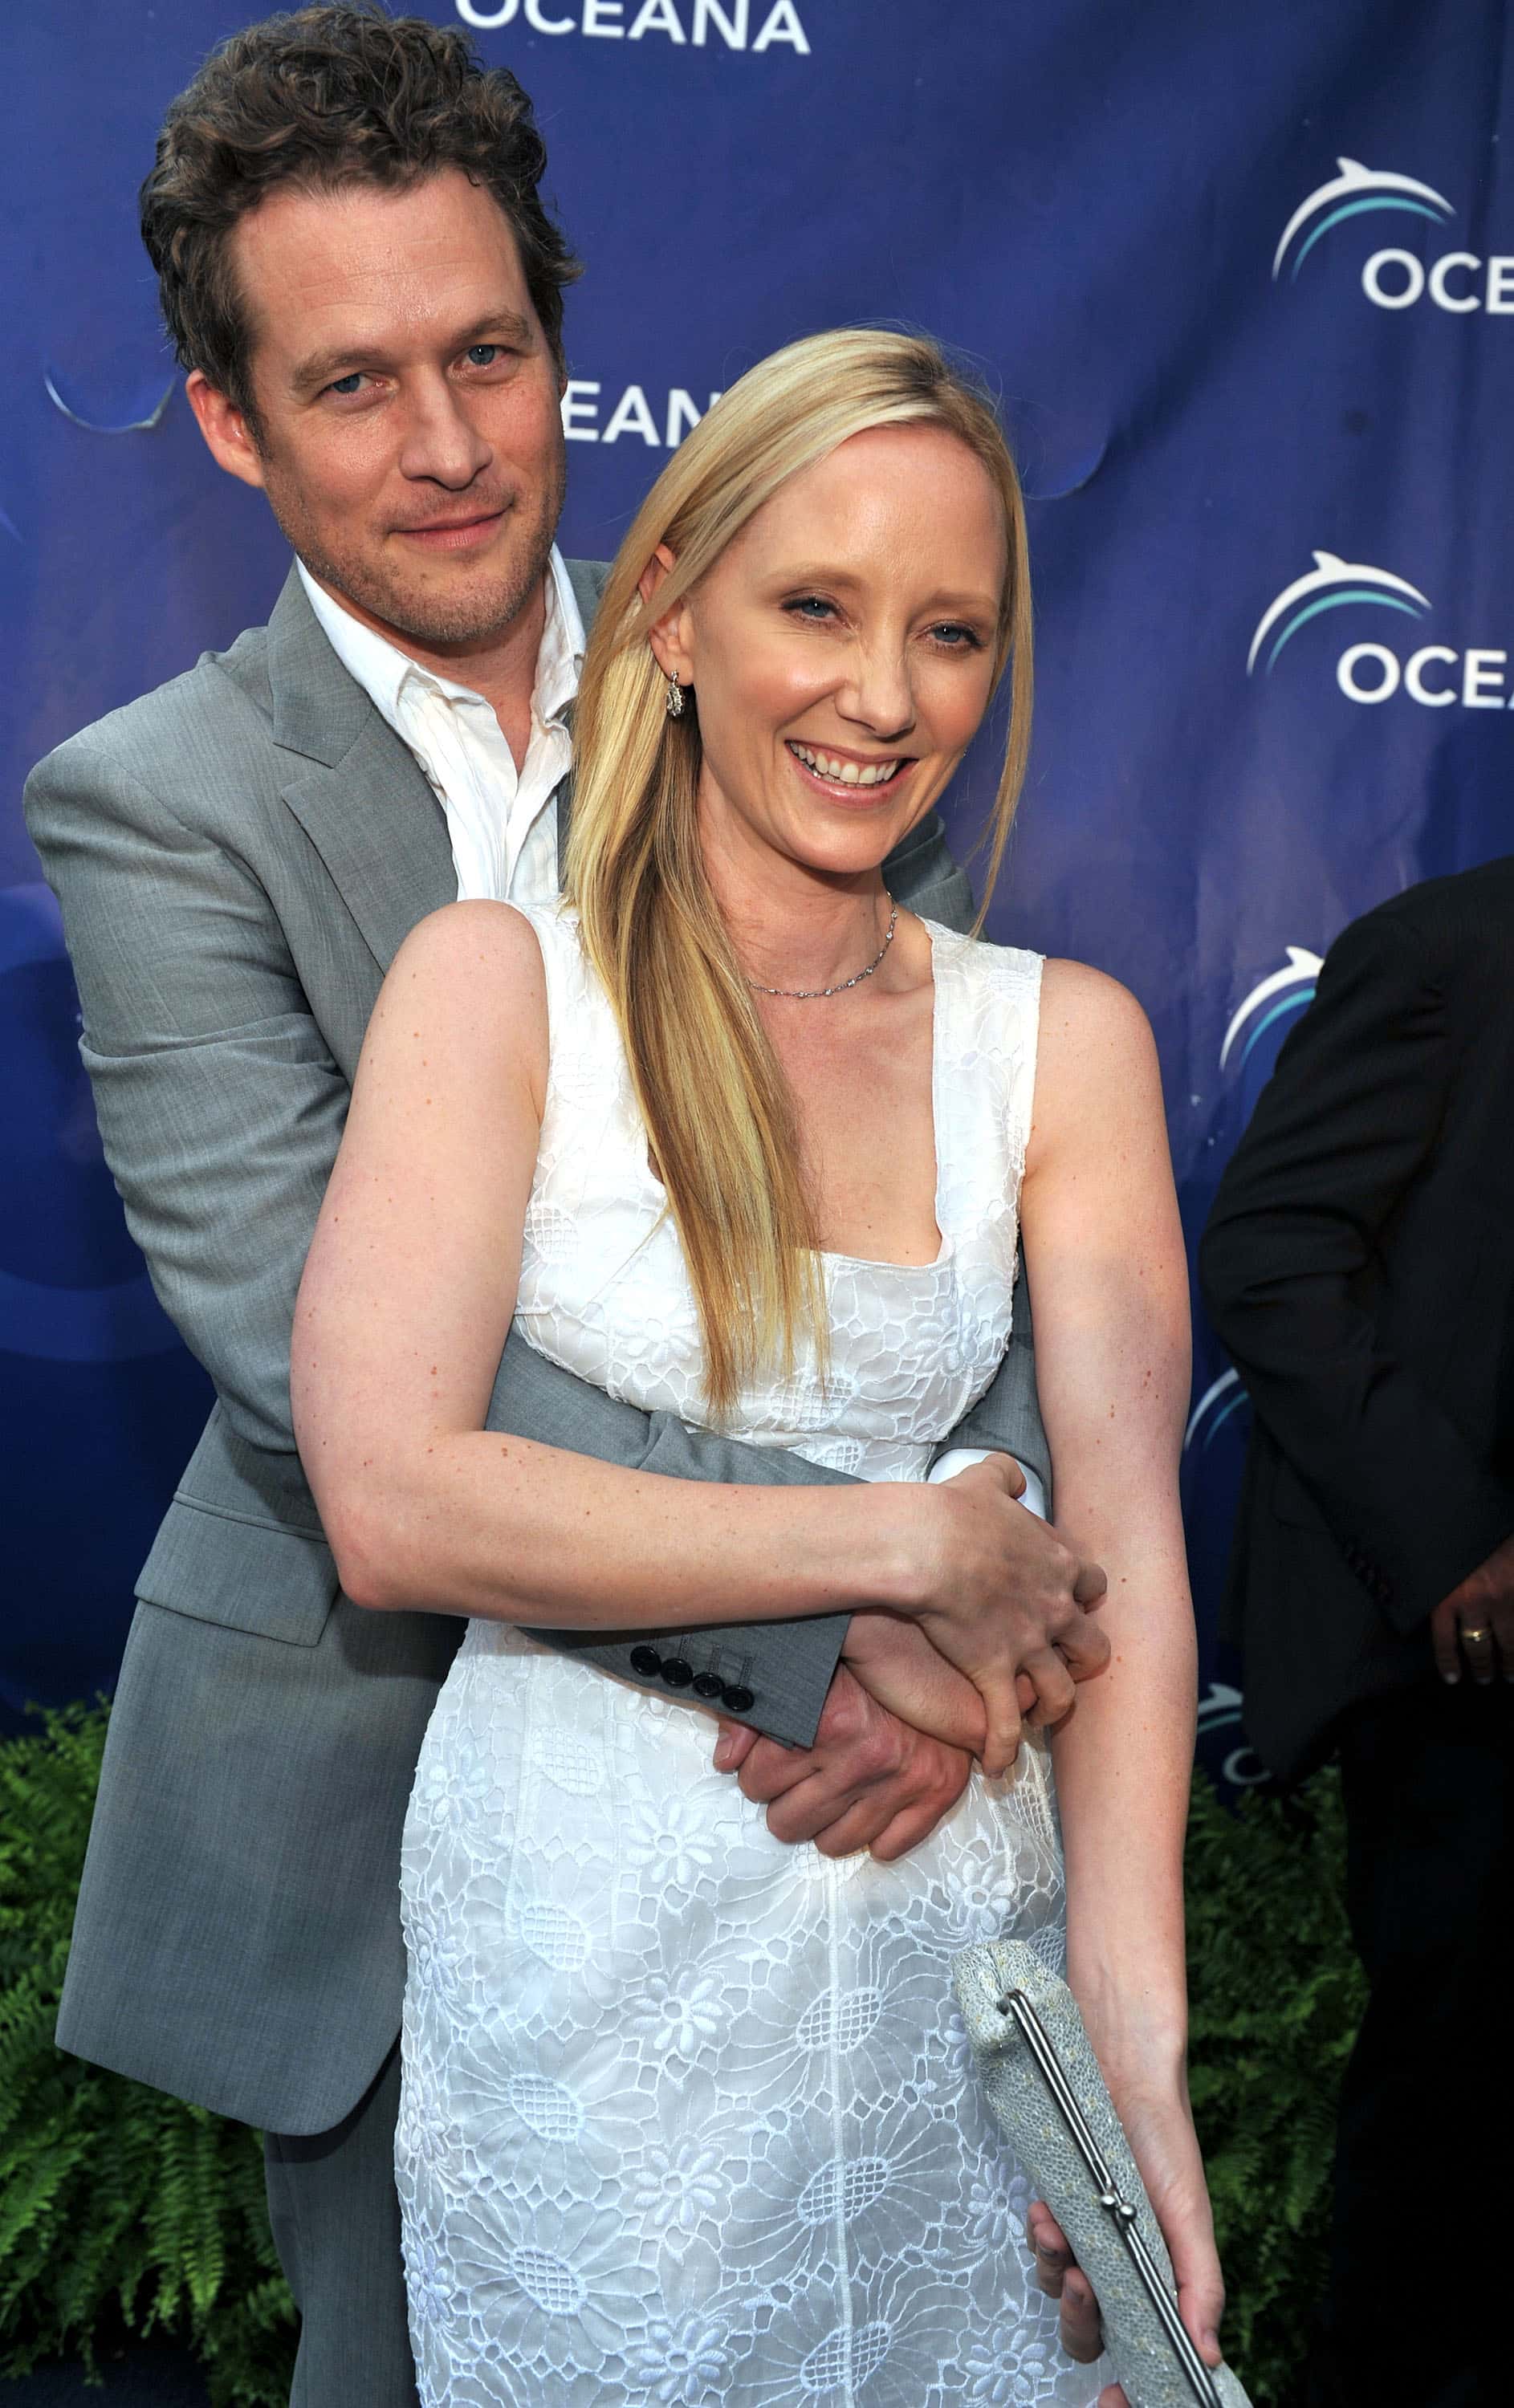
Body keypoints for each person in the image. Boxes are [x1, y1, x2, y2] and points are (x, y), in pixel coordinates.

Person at [23, 12, 1109, 2403]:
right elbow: (330, 1367)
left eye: (488, 353)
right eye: (345, 384)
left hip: (872, 1824)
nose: (441, 447)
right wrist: (857, 1596)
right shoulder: (157, 805)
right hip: (395, 1783)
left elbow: (962, 1147)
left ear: (559, 339)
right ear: (225, 421)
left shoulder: (785, 638)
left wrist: (987, 1491)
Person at [292, 324, 1224, 2407]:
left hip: (949, 1935)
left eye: (950, 631)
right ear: (673, 612)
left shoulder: (1059, 1042)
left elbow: (1131, 1561)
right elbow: (391, 1496)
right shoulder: (493, 991)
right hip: (583, 1947)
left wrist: (1123, 2059)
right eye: (815, 605)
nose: (882, 696)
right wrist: (901, 1550)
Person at [1201, 862, 1514, 2408]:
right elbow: (1270, 1255)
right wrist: (1451, 1536)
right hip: (1480, 1681)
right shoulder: (1452, 947)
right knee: (1462, 2132)